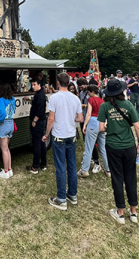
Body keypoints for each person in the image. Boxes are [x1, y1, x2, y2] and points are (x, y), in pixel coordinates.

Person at [98, 78, 139, 224]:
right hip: (129, 145)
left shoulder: (104, 106)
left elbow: (101, 128)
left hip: (113, 146)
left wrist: (109, 128)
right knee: (131, 177)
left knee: (117, 178)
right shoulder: (128, 104)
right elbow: (137, 126)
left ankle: (120, 213)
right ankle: (133, 212)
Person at [42, 72, 83, 211]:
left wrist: (46, 134)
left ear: (58, 83)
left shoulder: (54, 98)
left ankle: (61, 199)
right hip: (71, 135)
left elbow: (51, 119)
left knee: (60, 167)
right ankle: (72, 194)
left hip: (59, 136)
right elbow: (80, 118)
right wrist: (70, 119)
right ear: (69, 83)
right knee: (71, 166)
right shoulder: (75, 98)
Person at [78, 85, 110, 177]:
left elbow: (88, 113)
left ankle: (84, 170)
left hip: (92, 122)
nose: (88, 94)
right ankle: (108, 170)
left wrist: (84, 125)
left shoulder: (91, 100)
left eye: (88, 92)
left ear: (92, 92)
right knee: (103, 149)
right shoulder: (102, 101)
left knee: (89, 148)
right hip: (102, 123)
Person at [26, 79, 47, 174]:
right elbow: (35, 105)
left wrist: (35, 120)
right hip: (40, 121)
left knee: (37, 143)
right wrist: (29, 100)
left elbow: (40, 110)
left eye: (34, 84)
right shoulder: (38, 94)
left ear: (39, 84)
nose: (33, 86)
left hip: (38, 122)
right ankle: (43, 163)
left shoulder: (41, 95)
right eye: (32, 84)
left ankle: (35, 166)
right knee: (42, 142)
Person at [78, 78, 100, 165]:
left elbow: (95, 105)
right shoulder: (81, 93)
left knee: (92, 141)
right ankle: (89, 156)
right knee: (85, 139)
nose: (80, 88)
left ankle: (96, 160)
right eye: (79, 86)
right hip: (83, 117)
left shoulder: (91, 93)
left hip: (90, 118)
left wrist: (85, 106)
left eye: (81, 86)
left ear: (85, 84)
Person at [0, 83, 16, 179]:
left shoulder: (1, 100)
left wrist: (0, 121)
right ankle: (9, 169)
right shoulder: (12, 98)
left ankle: (5, 172)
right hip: (11, 124)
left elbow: (2, 112)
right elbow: (14, 110)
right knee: (7, 148)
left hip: (4, 125)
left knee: (4, 150)